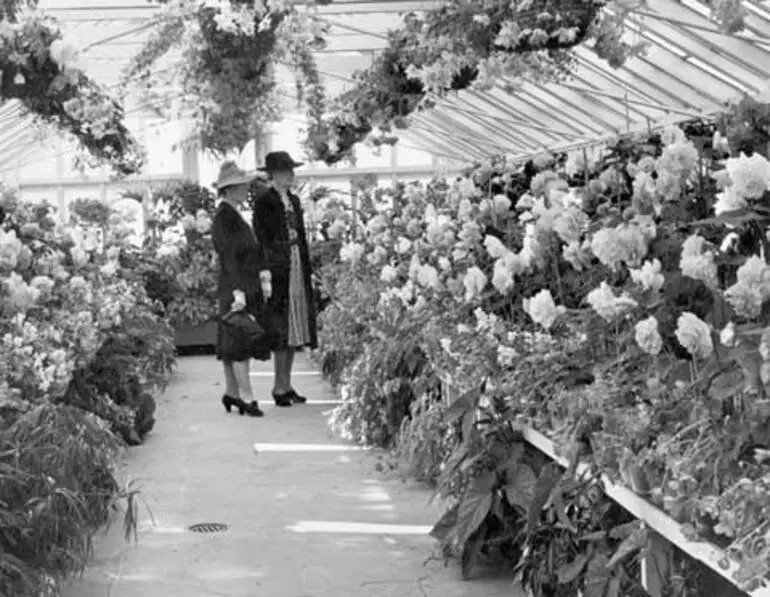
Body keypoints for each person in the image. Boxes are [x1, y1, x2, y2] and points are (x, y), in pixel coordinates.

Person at [251, 151, 317, 408]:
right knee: (280, 327)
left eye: (291, 170)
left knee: (294, 327)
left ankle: (286, 384)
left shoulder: (294, 200)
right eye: (285, 171)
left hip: (296, 263)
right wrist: (265, 267)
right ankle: (278, 386)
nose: (290, 175)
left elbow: (300, 235)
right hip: (279, 268)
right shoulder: (264, 201)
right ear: (274, 174)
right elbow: (261, 237)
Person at [211, 161, 272, 417]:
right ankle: (246, 396)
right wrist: (238, 291)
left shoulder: (233, 213)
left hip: (243, 284)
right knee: (239, 342)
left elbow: (249, 250)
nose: (245, 190)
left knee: (232, 341)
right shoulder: (224, 217)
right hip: (235, 287)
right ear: (230, 189)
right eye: (241, 186)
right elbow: (228, 256)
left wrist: (262, 275)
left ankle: (232, 393)